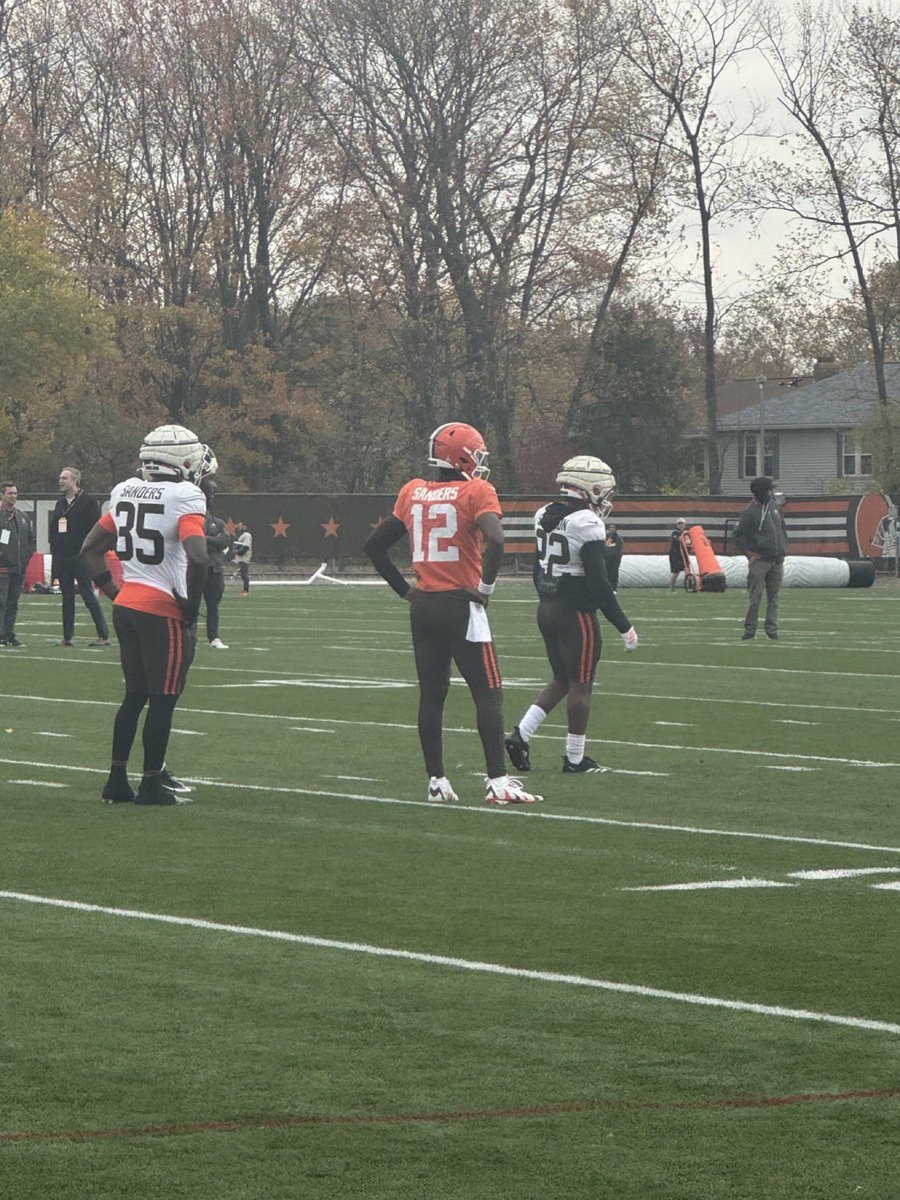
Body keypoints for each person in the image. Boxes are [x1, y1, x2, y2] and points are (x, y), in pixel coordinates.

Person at [364, 421, 541, 806]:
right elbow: (496, 540)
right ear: (461, 457)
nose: (480, 462)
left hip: (424, 606)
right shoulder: (477, 490)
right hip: (461, 604)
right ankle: (498, 782)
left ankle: (436, 781)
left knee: (431, 696)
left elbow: (374, 545)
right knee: (489, 693)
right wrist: (485, 589)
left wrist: (404, 590)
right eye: (476, 454)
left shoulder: (413, 490)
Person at [81, 425, 212, 805]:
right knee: (163, 698)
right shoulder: (186, 496)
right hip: (161, 609)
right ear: (182, 462)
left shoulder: (126, 490)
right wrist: (191, 608)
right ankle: (152, 784)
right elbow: (199, 557)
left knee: (134, 696)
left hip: (128, 604)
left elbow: (90, 550)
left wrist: (115, 592)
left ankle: (116, 780)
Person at [505, 456, 638, 775]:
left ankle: (521, 735)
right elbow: (599, 583)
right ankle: (575, 759)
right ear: (591, 488)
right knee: (581, 684)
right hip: (575, 613)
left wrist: (548, 597)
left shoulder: (544, 514)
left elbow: (539, 568)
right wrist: (624, 626)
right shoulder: (587, 523)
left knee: (562, 680)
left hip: (547, 607)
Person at [49, 466, 111, 647]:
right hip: (63, 556)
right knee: (67, 597)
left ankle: (103, 635)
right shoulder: (60, 503)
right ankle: (67, 637)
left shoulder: (88, 502)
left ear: (74, 480)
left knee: (87, 594)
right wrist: (55, 549)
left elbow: (96, 529)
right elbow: (54, 528)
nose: (60, 481)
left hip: (81, 556)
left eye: (64, 478)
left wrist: (90, 551)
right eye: (60, 478)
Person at [733, 476, 788, 641]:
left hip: (776, 559)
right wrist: (749, 553)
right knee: (755, 597)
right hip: (760, 561)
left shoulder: (774, 507)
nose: (773, 492)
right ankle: (750, 629)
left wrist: (783, 547)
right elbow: (738, 535)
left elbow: (782, 528)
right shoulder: (749, 512)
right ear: (764, 492)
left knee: (774, 597)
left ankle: (772, 629)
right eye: (770, 489)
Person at [199, 463, 232, 648]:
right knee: (192, 605)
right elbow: (195, 540)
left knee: (213, 607)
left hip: (215, 569)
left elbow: (225, 541)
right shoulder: (193, 520)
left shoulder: (218, 522)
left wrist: (206, 539)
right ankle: (190, 636)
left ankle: (214, 637)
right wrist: (212, 541)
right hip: (197, 569)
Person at [0, 482, 36, 648]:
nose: (13, 496)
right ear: (2, 495)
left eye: (15, 493)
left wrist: (26, 557)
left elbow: (31, 540)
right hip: (2, 568)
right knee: (1, 602)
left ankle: (9, 634)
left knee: (13, 603)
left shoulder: (23, 517)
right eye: (10, 493)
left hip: (19, 567)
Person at [602, 521, 624, 591]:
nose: (611, 529)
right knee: (606, 574)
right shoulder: (605, 537)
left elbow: (619, 549)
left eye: (613, 528)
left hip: (614, 560)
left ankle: (613, 588)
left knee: (613, 574)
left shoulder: (618, 538)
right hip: (606, 559)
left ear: (615, 529)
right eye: (610, 527)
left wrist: (618, 558)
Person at [668, 517, 688, 590]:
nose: (681, 525)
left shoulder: (686, 533)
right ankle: (671, 587)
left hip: (683, 554)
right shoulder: (675, 533)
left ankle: (687, 585)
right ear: (677, 525)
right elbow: (676, 540)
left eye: (682, 524)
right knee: (676, 571)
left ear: (685, 524)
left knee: (687, 570)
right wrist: (681, 539)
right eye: (679, 524)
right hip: (675, 554)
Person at [233, 523, 252, 595]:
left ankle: (246, 590)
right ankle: (244, 589)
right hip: (241, 558)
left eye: (240, 526)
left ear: (244, 526)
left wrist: (238, 552)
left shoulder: (247, 535)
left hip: (244, 558)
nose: (238, 527)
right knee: (242, 574)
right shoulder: (242, 535)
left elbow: (246, 546)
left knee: (244, 574)